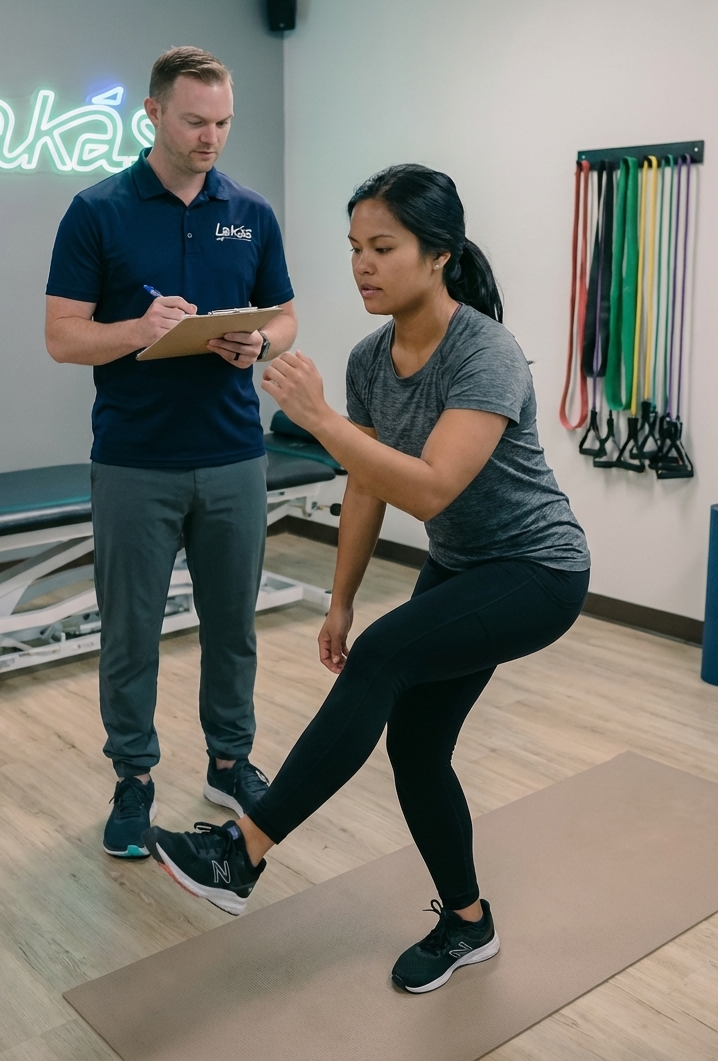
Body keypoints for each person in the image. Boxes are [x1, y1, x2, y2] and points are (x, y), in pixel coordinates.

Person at [144, 163, 590, 993]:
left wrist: (313, 418)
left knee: (386, 662)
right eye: (354, 247)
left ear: (438, 254)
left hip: (536, 570)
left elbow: (427, 485)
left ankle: (240, 852)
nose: (362, 265)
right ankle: (467, 922)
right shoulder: (368, 357)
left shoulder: (485, 353)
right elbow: (365, 485)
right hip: (460, 566)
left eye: (383, 247)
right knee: (417, 749)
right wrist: (339, 599)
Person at [45, 46, 297, 858]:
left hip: (232, 458)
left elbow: (287, 315)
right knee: (131, 634)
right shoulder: (97, 210)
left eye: (222, 122)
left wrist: (259, 342)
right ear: (152, 114)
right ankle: (134, 780)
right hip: (133, 462)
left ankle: (230, 761)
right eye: (194, 121)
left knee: (233, 627)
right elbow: (61, 338)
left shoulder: (250, 212)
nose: (210, 137)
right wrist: (136, 331)